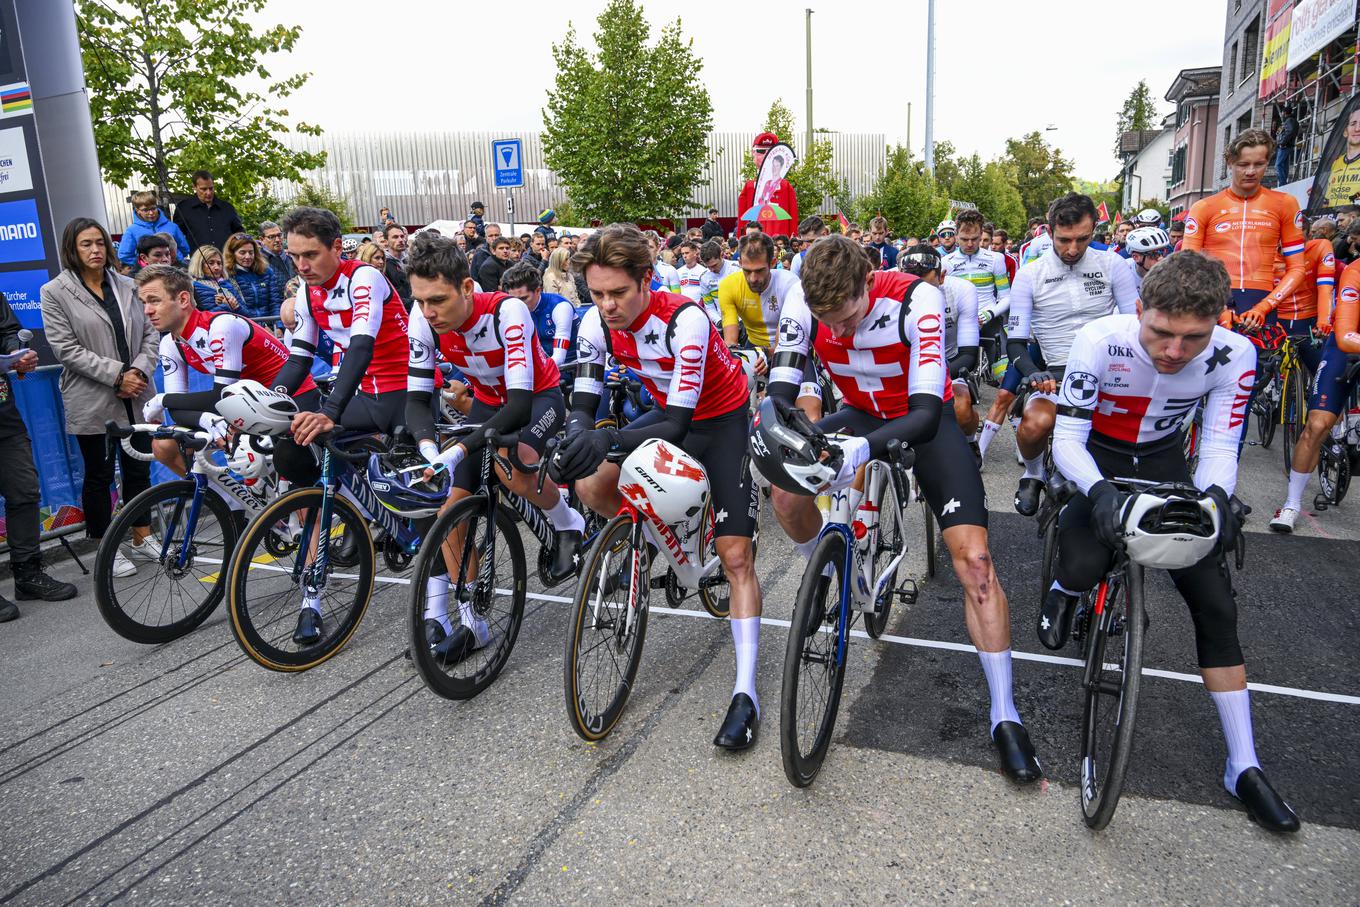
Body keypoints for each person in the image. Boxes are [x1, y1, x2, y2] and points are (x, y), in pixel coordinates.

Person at [762, 234, 1040, 784]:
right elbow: (780, 394)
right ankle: (824, 562)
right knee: (785, 493)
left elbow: (924, 412)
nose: (838, 334)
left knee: (976, 565)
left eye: (846, 319)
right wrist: (780, 430)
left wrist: (864, 450)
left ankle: (1005, 714)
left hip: (922, 421)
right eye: (828, 324)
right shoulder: (803, 300)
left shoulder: (917, 301)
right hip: (861, 413)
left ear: (869, 281)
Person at [1043, 250, 1298, 833]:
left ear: (1217, 325)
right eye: (1161, 332)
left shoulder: (1237, 353)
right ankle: (1063, 588)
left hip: (1165, 465)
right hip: (1097, 458)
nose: (1175, 351)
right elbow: (1068, 440)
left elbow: (1217, 443)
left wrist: (1215, 500)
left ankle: (1244, 764)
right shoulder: (1096, 339)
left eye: (1193, 338)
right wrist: (1100, 492)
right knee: (1082, 565)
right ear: (1139, 309)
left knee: (1215, 605)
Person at [550, 223, 762, 749]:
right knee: (591, 484)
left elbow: (677, 422)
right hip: (664, 414)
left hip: (716, 419)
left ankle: (746, 692)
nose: (607, 305)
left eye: (618, 293)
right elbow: (582, 402)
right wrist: (579, 438)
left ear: (646, 280)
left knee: (735, 558)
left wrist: (611, 438)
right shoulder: (596, 324)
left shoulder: (683, 317)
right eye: (597, 294)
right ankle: (646, 539)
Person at [399, 234, 583, 656]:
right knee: (451, 513)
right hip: (487, 400)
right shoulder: (422, 317)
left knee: (516, 463)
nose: (429, 312)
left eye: (438, 301)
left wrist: (459, 449)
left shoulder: (507, 310)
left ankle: (567, 521)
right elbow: (415, 401)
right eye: (421, 301)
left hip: (538, 396)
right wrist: (431, 449)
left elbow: (519, 407)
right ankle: (466, 622)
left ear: (466, 288)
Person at [272, 206, 412, 643]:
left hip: (402, 388)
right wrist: (268, 401)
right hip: (360, 392)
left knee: (416, 494)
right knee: (299, 449)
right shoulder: (309, 290)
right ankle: (312, 597)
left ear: (337, 247)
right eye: (294, 256)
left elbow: (361, 347)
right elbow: (298, 358)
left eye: (310, 254)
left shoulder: (364, 278)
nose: (301, 265)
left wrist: (329, 411)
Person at [1005, 193, 1139, 516]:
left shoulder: (1113, 265)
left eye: (1083, 239)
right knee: (1034, 425)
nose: (1073, 249)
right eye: (1064, 240)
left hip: (1110, 370)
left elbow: (1135, 326)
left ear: (1094, 229)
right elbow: (1015, 343)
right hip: (1056, 373)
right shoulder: (1030, 275)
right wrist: (1032, 372)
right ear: (1049, 232)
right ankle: (1034, 472)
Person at [40, 217, 159, 579]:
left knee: (139, 468)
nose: (95, 250)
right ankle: (106, 545)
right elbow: (65, 348)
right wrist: (116, 376)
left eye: (99, 243)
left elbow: (151, 333)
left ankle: (143, 536)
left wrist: (137, 372)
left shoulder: (127, 284)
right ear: (72, 250)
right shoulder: (55, 292)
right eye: (85, 245)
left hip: (136, 393)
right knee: (99, 475)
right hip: (93, 397)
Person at [137, 264, 320, 477]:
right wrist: (205, 418)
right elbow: (178, 407)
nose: (147, 311)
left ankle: (299, 502)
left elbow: (218, 396)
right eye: (144, 303)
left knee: (287, 472)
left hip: (291, 396)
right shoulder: (171, 343)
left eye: (154, 301)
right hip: (245, 405)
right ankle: (218, 500)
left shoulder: (222, 325)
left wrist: (162, 400)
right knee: (164, 446)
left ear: (184, 300)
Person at [0, 289, 77, 620]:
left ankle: (28, 574)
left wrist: (16, 353)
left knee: (24, 490)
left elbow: (6, 332)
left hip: (3, 413)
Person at [1182, 129, 1306, 330]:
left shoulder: (1285, 203)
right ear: (1229, 163)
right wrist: (1217, 307)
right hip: (1212, 297)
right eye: (1243, 165)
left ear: (1268, 162)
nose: (1251, 171)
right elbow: (1187, 265)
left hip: (1262, 301)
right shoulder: (1204, 207)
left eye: (1259, 164)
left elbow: (1298, 268)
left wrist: (1265, 306)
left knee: (1256, 361)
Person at [1269, 255, 1356, 533]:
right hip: (1347, 346)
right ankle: (1292, 503)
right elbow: (1344, 335)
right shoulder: (1355, 272)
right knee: (1316, 426)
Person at [718, 232, 822, 418]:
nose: (752, 278)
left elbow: (787, 341)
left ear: (773, 263)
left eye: (759, 271)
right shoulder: (728, 286)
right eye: (747, 271)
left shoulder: (789, 283)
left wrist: (765, 354)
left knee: (811, 416)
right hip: (754, 349)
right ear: (739, 263)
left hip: (792, 347)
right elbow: (731, 342)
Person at [901, 244, 981, 441]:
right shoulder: (888, 283)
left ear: (942, 276)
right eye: (911, 285)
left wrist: (929, 379)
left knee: (961, 407)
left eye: (926, 285)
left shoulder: (962, 290)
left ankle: (969, 441)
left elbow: (968, 355)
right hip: (904, 366)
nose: (918, 293)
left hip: (948, 362)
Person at [499, 261, 575, 368]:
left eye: (524, 298)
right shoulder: (511, 309)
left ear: (538, 291)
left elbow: (559, 358)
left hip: (570, 367)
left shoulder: (560, 307)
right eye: (513, 299)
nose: (518, 305)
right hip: (544, 366)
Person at [737, 132, 798, 238]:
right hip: (754, 243)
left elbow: (793, 218)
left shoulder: (786, 187)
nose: (766, 155)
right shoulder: (749, 187)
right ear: (753, 154)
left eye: (770, 151)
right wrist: (741, 240)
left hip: (780, 244)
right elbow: (742, 219)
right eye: (761, 151)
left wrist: (792, 240)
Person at [172, 170, 244, 254]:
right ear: (194, 187)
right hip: (198, 262)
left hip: (226, 260)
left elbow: (240, 233)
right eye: (204, 189)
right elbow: (176, 236)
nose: (208, 192)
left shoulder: (227, 208)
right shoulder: (184, 208)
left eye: (211, 188)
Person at [116, 190, 190, 267]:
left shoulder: (172, 227)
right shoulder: (132, 231)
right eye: (145, 210)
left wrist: (175, 260)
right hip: (150, 273)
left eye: (153, 208)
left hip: (175, 269)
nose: (151, 213)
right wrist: (143, 264)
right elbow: (124, 255)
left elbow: (185, 249)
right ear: (138, 211)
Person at [223, 232, 283, 320]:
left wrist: (279, 326)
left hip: (271, 323)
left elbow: (275, 302)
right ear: (232, 254)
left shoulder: (266, 271)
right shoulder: (226, 275)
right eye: (242, 253)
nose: (248, 257)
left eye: (251, 252)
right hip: (245, 324)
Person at [1318, 106, 1360, 209]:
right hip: (1335, 220)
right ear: (1345, 131)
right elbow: (1327, 200)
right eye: (1353, 124)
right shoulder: (1337, 162)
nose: (1358, 128)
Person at [188, 245, 244, 313]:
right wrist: (226, 305)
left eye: (219, 263)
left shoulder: (230, 283)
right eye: (211, 263)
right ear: (199, 264)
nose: (217, 267)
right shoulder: (193, 286)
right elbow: (204, 317)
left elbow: (247, 314)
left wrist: (236, 306)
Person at [697, 239, 739, 326]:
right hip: (723, 322)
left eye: (714, 265)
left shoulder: (737, 269)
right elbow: (709, 306)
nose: (712, 269)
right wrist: (718, 321)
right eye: (708, 267)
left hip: (743, 320)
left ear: (721, 255)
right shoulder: (704, 277)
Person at [1124, 225, 1173, 294]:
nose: (1161, 258)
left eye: (1163, 252)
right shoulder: (1123, 270)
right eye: (1154, 254)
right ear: (1136, 257)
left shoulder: (1169, 273)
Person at [382, 223, 412, 302]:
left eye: (402, 236)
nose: (401, 240)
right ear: (386, 241)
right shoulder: (383, 264)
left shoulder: (411, 260)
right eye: (395, 237)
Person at [1273, 103, 1299, 188]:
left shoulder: (1289, 121)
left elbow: (1290, 132)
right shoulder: (1290, 121)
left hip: (1285, 146)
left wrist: (1282, 142)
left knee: (1278, 165)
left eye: (1282, 112)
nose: (1282, 114)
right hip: (1286, 145)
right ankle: (1284, 184)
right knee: (1284, 165)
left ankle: (1283, 184)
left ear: (1285, 113)